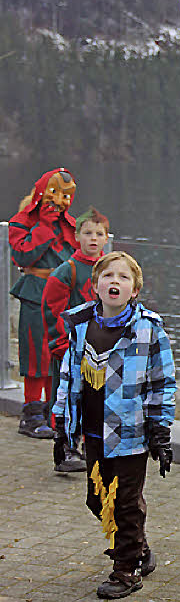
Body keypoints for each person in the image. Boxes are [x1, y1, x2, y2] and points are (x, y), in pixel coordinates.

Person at [53, 251, 176, 599]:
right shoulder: (80, 326)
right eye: (108, 276)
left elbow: (162, 382)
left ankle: (126, 570)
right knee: (98, 499)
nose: (115, 282)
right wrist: (62, 427)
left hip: (130, 434)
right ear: (95, 285)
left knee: (124, 501)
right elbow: (67, 377)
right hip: (91, 431)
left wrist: (160, 432)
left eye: (123, 277)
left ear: (135, 289)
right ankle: (138, 549)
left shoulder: (148, 330)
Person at [9, 168, 78, 439]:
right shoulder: (21, 221)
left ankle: (53, 413)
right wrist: (44, 228)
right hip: (35, 293)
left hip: (63, 297)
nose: (59, 200)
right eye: (54, 193)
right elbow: (22, 257)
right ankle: (31, 415)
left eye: (65, 196)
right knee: (36, 355)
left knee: (58, 355)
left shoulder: (69, 224)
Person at [42, 206, 110, 472]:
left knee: (95, 398)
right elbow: (52, 309)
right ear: (77, 236)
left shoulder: (109, 269)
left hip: (100, 347)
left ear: (106, 237)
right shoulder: (66, 271)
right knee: (67, 399)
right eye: (88, 233)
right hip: (70, 348)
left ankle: (88, 448)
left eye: (99, 233)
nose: (93, 238)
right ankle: (65, 451)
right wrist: (61, 343)